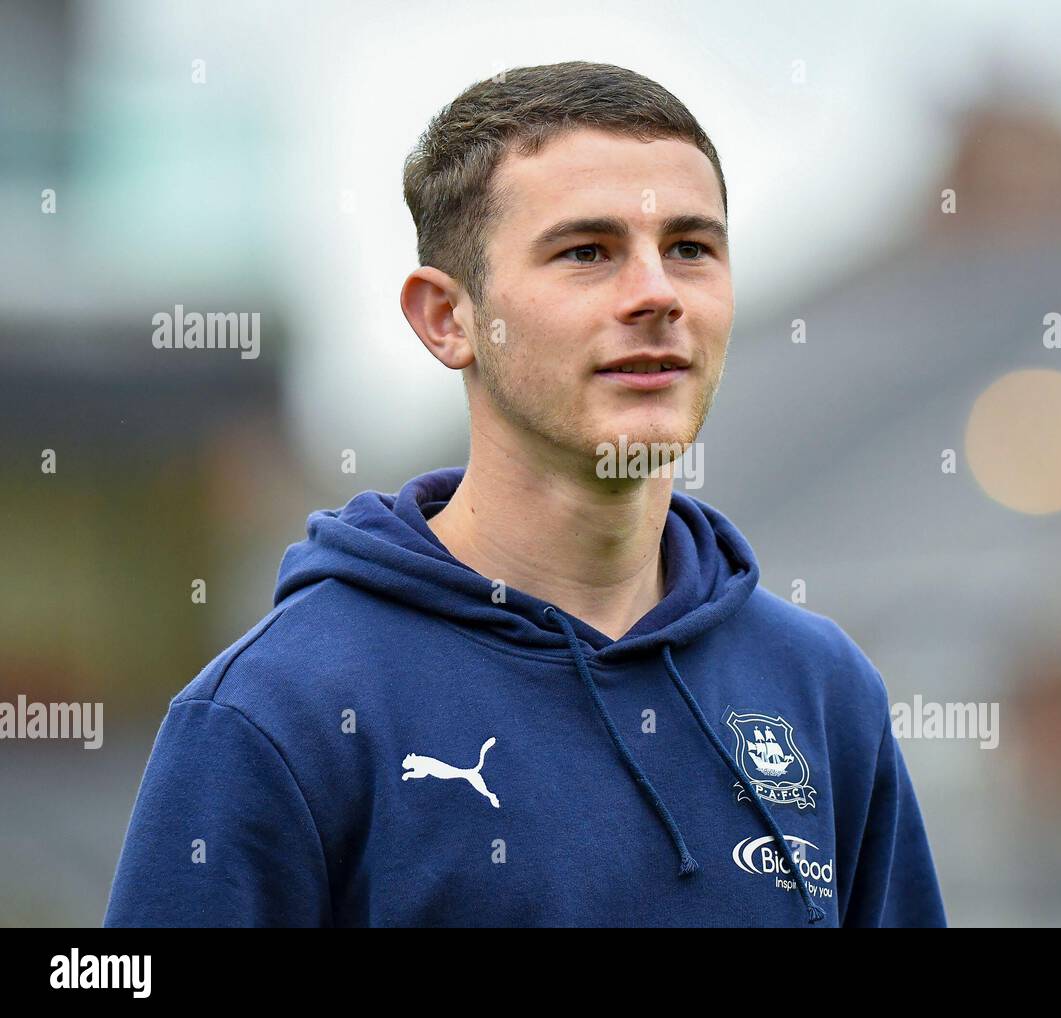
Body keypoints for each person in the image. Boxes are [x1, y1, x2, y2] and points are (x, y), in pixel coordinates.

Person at [104, 60, 946, 928]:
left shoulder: (822, 688)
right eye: (588, 251)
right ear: (447, 319)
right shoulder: (279, 712)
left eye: (691, 249)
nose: (657, 293)